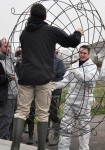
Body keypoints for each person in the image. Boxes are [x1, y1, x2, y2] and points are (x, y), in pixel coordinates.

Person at [10, 3, 84, 150]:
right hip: (44, 79)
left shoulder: (23, 34)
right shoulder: (50, 31)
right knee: (43, 114)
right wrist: (78, 32)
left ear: (31, 16)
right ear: (44, 16)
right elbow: (72, 42)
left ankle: (15, 146)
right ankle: (41, 148)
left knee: (21, 112)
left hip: (26, 78)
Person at [55, 45, 99, 150]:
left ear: (89, 54)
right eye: (80, 52)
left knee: (83, 127)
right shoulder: (74, 65)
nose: (82, 55)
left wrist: (76, 71)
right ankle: (63, 148)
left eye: (84, 53)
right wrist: (53, 85)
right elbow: (65, 81)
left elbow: (88, 80)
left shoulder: (92, 67)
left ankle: (84, 148)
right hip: (70, 99)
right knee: (65, 125)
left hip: (84, 100)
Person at [15, 48, 35, 145]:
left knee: (30, 115)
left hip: (30, 92)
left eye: (22, 55)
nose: (21, 57)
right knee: (21, 114)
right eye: (19, 55)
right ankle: (19, 135)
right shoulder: (17, 65)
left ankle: (31, 135)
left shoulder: (31, 65)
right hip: (20, 92)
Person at [0, 38, 17, 140]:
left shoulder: (10, 59)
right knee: (5, 123)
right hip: (6, 97)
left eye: (9, 47)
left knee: (12, 123)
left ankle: (9, 143)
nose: (9, 49)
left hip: (14, 95)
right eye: (6, 47)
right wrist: (7, 77)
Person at [48, 51, 66, 146]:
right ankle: (45, 135)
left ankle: (56, 135)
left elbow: (62, 78)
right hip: (43, 91)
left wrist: (53, 85)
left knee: (53, 114)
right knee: (43, 113)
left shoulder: (59, 62)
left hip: (55, 92)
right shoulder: (43, 59)